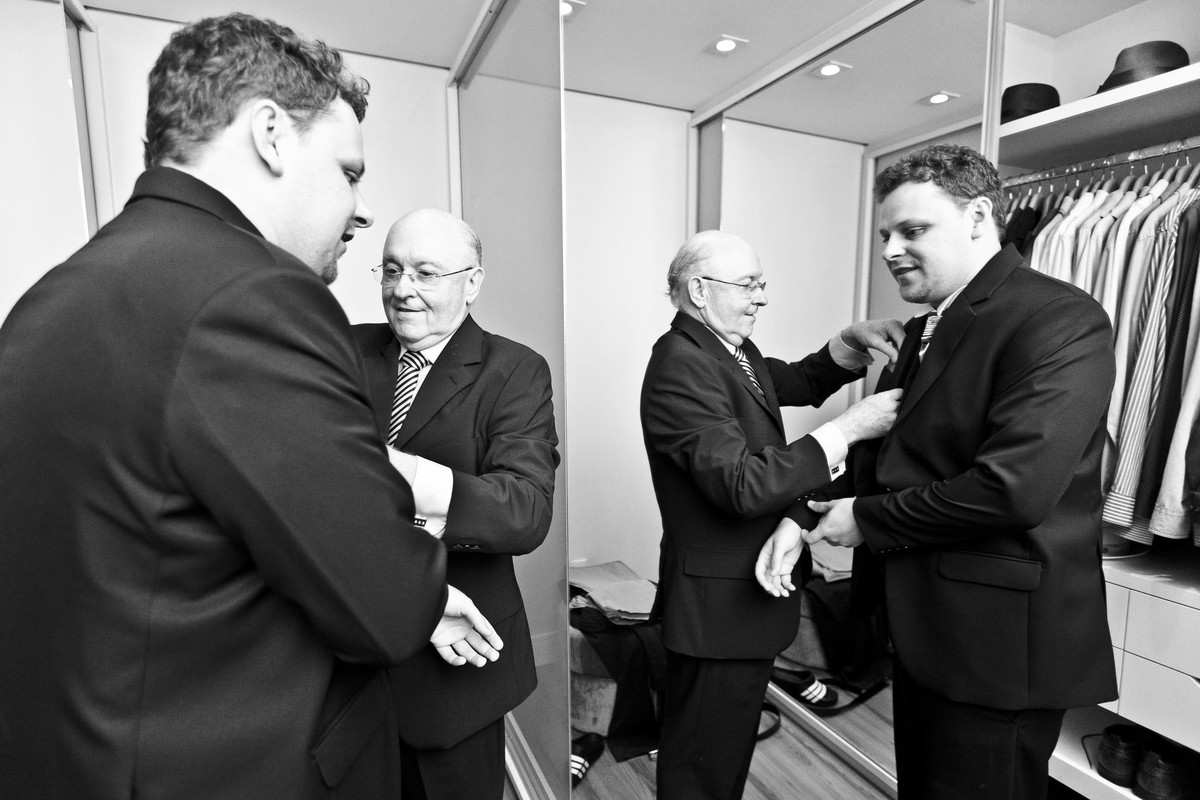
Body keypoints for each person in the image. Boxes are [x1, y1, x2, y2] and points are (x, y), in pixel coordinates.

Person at [0, 14, 501, 800]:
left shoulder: (49, 301)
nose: (359, 210)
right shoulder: (256, 299)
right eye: (348, 173)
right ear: (270, 135)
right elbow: (383, 605)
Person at [761, 144, 1119, 800]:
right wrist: (799, 515)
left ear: (978, 216)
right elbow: (881, 460)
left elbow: (1013, 490)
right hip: (924, 630)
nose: (892, 250)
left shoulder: (1059, 318)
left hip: (997, 646)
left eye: (912, 230)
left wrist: (865, 521)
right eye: (885, 236)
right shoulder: (928, 328)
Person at [640, 229, 904, 800]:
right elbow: (742, 484)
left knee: (721, 756)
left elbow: (796, 381)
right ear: (700, 290)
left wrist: (849, 342)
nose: (762, 297)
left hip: (737, 603)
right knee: (702, 770)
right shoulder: (681, 365)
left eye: (762, 283)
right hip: (717, 611)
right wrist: (850, 428)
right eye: (748, 285)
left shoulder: (727, 348)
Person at [352, 208, 559, 800]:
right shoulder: (346, 348)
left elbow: (523, 509)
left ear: (472, 282)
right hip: (347, 664)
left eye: (425, 273)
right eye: (392, 270)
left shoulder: (515, 370)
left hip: (453, 672)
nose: (402, 290)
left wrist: (394, 474)